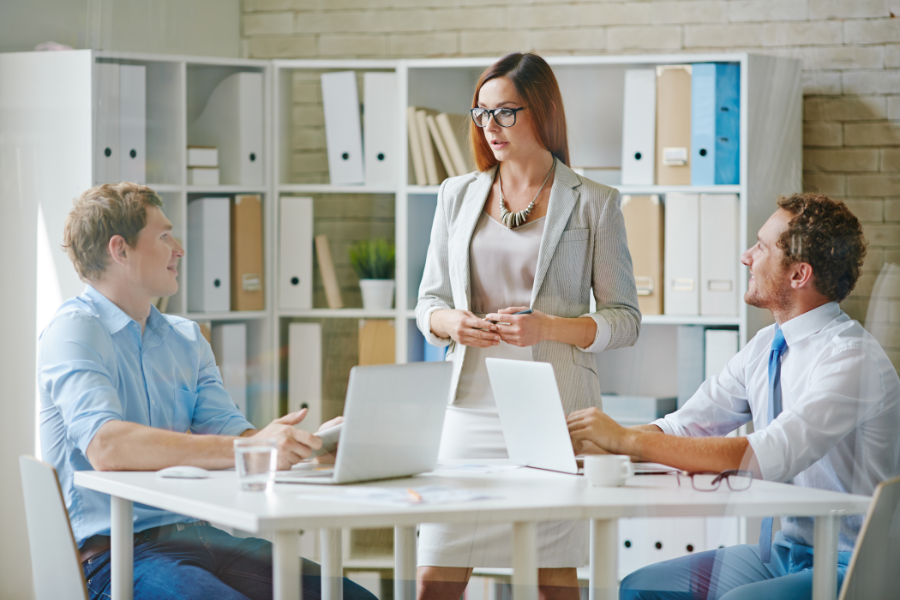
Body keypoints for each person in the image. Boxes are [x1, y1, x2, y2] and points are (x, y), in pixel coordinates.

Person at [38, 182, 375, 600]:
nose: (178, 249)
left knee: (352, 597)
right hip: (117, 555)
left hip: (202, 538)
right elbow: (107, 447)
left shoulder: (186, 338)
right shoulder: (74, 329)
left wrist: (308, 446)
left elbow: (236, 436)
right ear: (120, 250)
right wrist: (250, 449)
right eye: (163, 236)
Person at [567, 194, 900, 599]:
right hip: (783, 552)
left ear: (799, 274)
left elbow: (764, 455)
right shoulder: (765, 346)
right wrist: (600, 445)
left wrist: (629, 441)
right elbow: (685, 425)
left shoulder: (851, 359)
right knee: (640, 588)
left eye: (761, 247)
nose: (746, 257)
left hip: (853, 560)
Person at [415, 52, 641, 600]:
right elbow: (427, 305)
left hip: (555, 415)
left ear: (542, 111)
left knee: (552, 582)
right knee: (435, 578)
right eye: (481, 114)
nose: (490, 127)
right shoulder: (456, 194)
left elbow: (625, 321)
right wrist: (453, 324)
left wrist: (550, 328)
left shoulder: (595, 203)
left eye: (505, 113)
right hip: (468, 411)